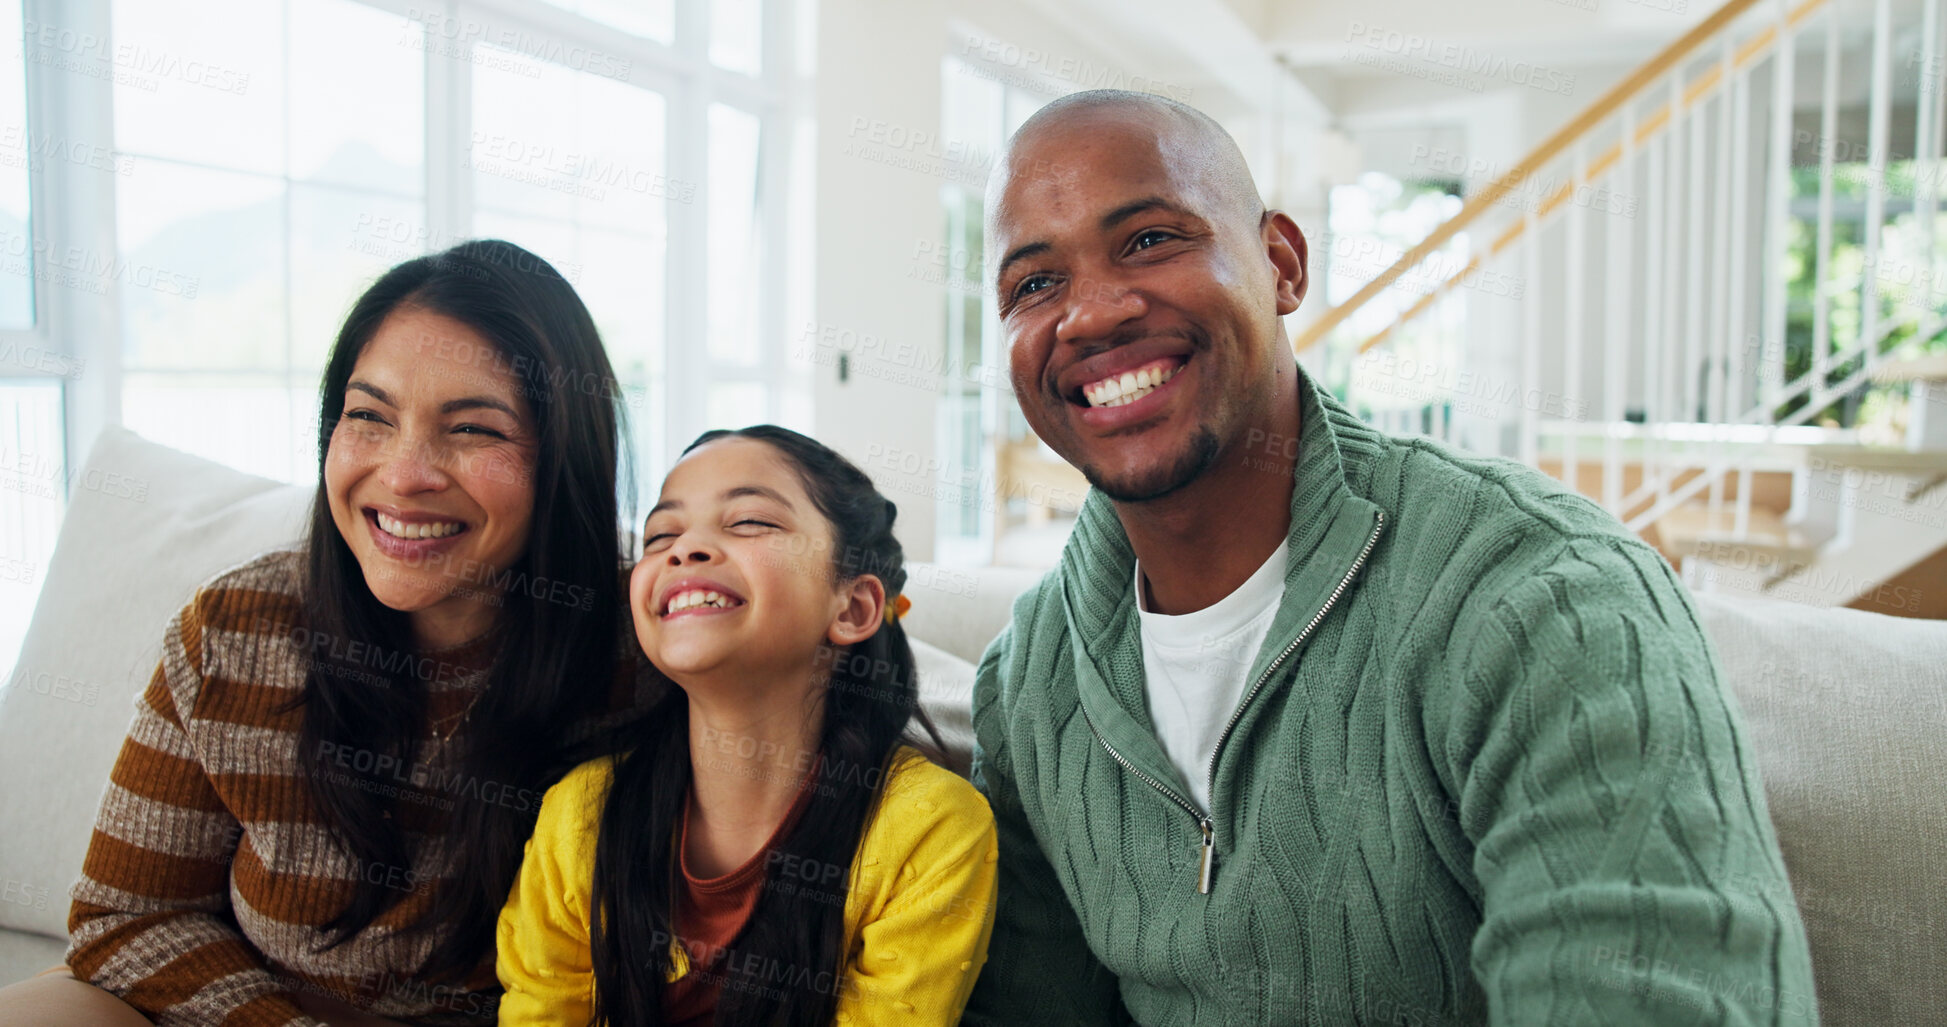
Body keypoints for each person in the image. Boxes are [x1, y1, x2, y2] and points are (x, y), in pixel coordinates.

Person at [961, 90, 1818, 1025]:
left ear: (1281, 263)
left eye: (1150, 240)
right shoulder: (1028, 681)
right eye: (1033, 285)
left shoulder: (1544, 595)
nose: (1090, 313)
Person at [0, 240, 660, 1026]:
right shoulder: (235, 631)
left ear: (564, 456)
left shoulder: (647, 647)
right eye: (369, 417)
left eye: (472, 429)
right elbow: (130, 916)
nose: (404, 471)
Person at [496, 426, 998, 1026]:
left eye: (750, 522)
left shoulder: (932, 831)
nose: (687, 548)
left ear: (855, 607)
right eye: (661, 534)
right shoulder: (580, 815)